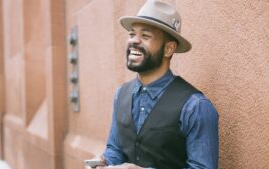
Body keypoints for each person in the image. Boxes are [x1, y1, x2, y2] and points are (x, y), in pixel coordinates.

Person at [87, 0, 219, 168]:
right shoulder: (121, 95)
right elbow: (115, 150)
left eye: (146, 36)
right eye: (132, 34)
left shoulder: (196, 107)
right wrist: (103, 161)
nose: (134, 41)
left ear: (168, 49)